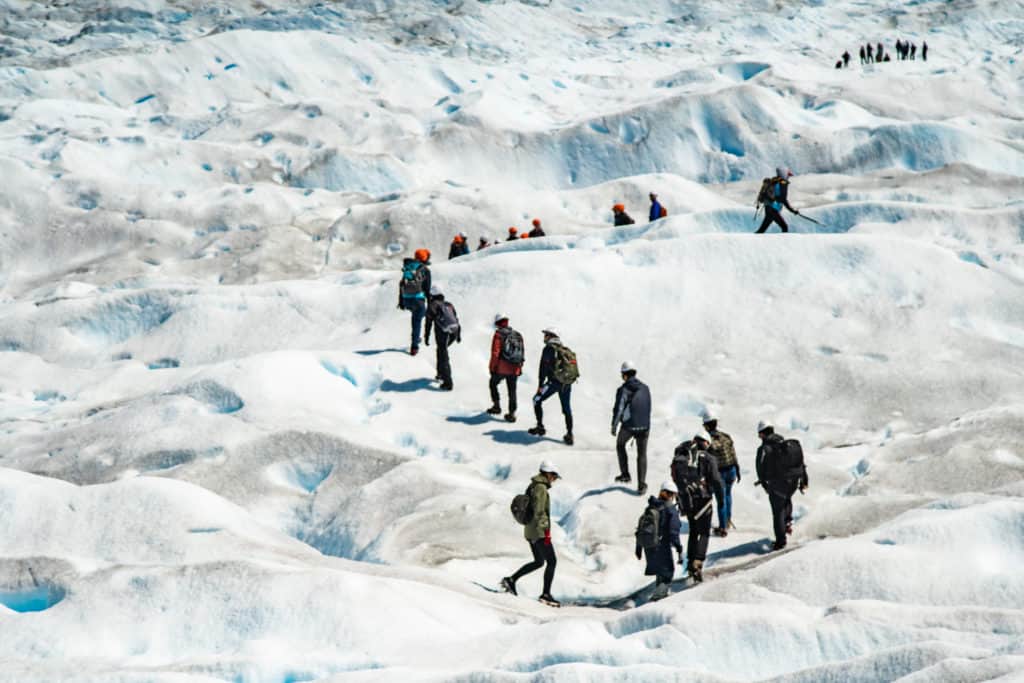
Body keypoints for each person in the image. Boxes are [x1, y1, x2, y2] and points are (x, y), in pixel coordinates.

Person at [502, 460, 561, 607]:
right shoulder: (540, 488)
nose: (554, 479)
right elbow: (540, 512)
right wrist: (546, 533)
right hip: (538, 532)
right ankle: (546, 595)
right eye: (554, 475)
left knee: (539, 561)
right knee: (552, 561)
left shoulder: (533, 485)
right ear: (547, 473)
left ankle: (511, 580)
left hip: (530, 530)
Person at [671, 434, 724, 582]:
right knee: (704, 532)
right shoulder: (708, 458)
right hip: (703, 499)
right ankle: (698, 561)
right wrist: (721, 500)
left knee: (693, 530)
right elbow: (716, 480)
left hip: (686, 500)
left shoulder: (683, 457)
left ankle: (690, 563)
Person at [755, 421, 809, 550]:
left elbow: (760, 468)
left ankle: (780, 541)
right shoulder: (783, 443)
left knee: (777, 511)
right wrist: (804, 480)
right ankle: (787, 522)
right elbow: (800, 462)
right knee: (786, 498)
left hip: (777, 483)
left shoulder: (765, 448)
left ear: (762, 434)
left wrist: (764, 483)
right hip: (793, 481)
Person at [635, 481, 682, 601]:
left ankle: (659, 595)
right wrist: (678, 547)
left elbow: (641, 528)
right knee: (667, 573)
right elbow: (673, 530)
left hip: (649, 546)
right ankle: (659, 599)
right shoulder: (670, 509)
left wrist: (639, 547)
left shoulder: (651, 506)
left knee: (660, 572)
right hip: (662, 546)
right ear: (671, 494)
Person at [611, 361, 652, 494]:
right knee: (642, 454)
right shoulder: (645, 388)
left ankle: (625, 474)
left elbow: (619, 409)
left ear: (624, 375)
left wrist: (614, 425)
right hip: (645, 427)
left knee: (620, 444)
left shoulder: (624, 389)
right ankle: (641, 485)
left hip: (629, 426)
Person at [529, 327, 575, 445]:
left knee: (536, 400)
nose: (544, 337)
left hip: (554, 382)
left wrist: (540, 384)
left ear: (551, 336)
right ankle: (569, 434)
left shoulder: (548, 349)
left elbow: (543, 368)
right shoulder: (564, 349)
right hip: (566, 383)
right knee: (567, 408)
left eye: (546, 335)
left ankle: (540, 426)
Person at [703, 415, 739, 537]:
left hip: (720, 473)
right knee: (728, 495)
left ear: (707, 426)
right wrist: (737, 469)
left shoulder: (709, 440)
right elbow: (733, 453)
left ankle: (722, 528)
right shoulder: (726, 436)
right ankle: (727, 520)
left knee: (721, 499)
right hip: (732, 469)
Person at [423, 285, 461, 391]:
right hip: (454, 331)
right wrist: (458, 335)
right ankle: (440, 374)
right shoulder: (449, 304)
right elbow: (456, 319)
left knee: (443, 354)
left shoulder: (432, 305)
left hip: (442, 332)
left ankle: (448, 383)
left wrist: (426, 336)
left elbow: (428, 323)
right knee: (441, 351)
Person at [488, 314, 523, 422]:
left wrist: (492, 368)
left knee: (493, 383)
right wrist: (519, 367)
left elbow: (495, 353)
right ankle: (512, 413)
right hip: (515, 368)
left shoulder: (499, 335)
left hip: (502, 368)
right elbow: (522, 353)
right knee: (512, 390)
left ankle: (496, 406)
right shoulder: (517, 334)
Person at [397, 249, 431, 355]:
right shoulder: (425, 270)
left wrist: (401, 301)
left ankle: (416, 337)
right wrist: (429, 301)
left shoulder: (408, 267)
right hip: (418, 300)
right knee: (418, 319)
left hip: (407, 299)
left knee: (416, 318)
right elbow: (427, 288)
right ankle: (414, 346)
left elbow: (402, 284)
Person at [755, 167, 800, 234]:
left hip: (768, 207)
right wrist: (793, 210)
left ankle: (752, 241)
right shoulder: (783, 183)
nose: (788, 177)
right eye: (788, 175)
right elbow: (783, 199)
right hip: (773, 209)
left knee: (762, 230)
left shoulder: (774, 181)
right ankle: (784, 243)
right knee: (784, 227)